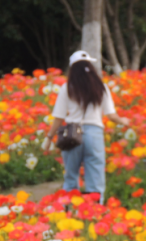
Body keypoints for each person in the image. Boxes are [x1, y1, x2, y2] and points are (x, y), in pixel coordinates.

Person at [43, 51, 130, 203]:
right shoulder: (100, 87)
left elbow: (59, 116)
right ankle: (96, 212)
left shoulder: (67, 87)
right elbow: (111, 116)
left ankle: (70, 211)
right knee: (95, 176)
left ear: (72, 68)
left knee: (71, 176)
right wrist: (124, 121)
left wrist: (49, 137)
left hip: (72, 134)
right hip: (94, 133)